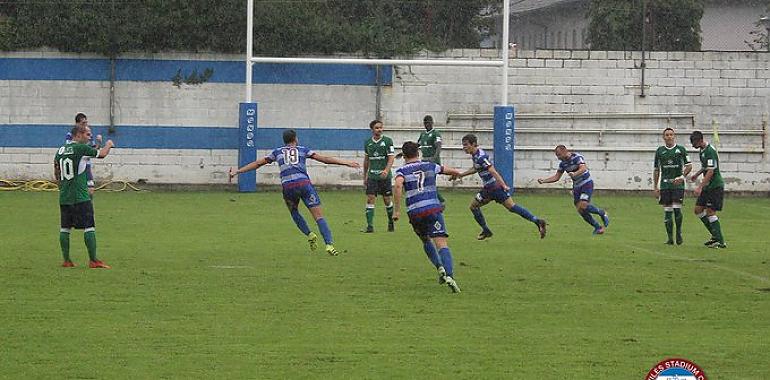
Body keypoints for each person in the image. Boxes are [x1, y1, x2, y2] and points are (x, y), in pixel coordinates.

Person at [229, 129, 360, 256]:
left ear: (284, 140)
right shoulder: (303, 150)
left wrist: (238, 171)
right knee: (319, 216)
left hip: (288, 187)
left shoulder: (277, 152)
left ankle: (310, 234)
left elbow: (258, 163)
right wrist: (346, 162)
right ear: (295, 139)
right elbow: (324, 159)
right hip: (304, 184)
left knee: (294, 212)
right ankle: (329, 244)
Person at [393, 141, 462, 293]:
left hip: (415, 212)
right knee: (442, 243)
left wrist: (396, 211)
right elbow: (451, 171)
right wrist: (456, 175)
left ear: (404, 156)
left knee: (425, 240)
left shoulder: (401, 171)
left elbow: (398, 186)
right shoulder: (430, 165)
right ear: (418, 153)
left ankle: (439, 268)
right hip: (432, 209)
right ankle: (449, 275)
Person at [453, 134, 547, 240]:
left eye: (466, 145)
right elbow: (476, 168)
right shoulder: (476, 154)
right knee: (512, 207)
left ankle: (486, 230)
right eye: (463, 145)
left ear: (473, 144)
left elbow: (493, 171)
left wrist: (504, 185)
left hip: (491, 188)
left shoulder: (481, 157)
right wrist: (461, 174)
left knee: (474, 206)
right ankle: (537, 221)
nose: (464, 147)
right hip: (494, 187)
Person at [54, 123, 114, 268]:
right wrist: (109, 144)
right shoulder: (80, 148)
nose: (89, 137)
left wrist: (60, 186)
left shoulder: (61, 149)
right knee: (89, 226)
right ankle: (93, 260)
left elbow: (56, 168)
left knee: (65, 228)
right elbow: (102, 154)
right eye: (86, 134)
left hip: (65, 195)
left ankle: (67, 260)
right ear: (78, 135)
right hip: (80, 196)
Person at [537, 145, 609, 234]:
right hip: (576, 187)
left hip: (586, 183)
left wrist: (575, 174)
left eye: (559, 155)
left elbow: (583, 168)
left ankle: (602, 213)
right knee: (580, 210)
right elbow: (556, 177)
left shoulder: (576, 157)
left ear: (565, 151)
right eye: (557, 156)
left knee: (583, 205)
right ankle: (598, 227)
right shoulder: (562, 164)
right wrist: (544, 181)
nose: (558, 158)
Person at [653, 128, 692, 245]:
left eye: (671, 135)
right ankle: (670, 238)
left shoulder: (681, 150)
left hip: (677, 186)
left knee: (676, 208)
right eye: (667, 135)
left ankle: (678, 233)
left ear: (674, 136)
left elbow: (689, 166)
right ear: (663, 137)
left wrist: (681, 177)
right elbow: (656, 170)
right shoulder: (659, 151)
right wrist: (655, 187)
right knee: (667, 210)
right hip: (665, 185)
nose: (669, 137)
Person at [688, 131, 727, 248]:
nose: (692, 145)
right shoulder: (702, 151)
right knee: (698, 210)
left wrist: (700, 186)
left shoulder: (710, 151)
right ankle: (715, 236)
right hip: (708, 186)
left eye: (693, 142)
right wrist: (697, 174)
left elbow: (711, 171)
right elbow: (705, 167)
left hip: (715, 186)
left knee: (710, 212)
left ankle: (721, 241)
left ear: (700, 140)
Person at [362, 119, 396, 233]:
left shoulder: (387, 141)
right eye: (377, 128)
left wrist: (386, 170)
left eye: (381, 127)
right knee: (370, 198)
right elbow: (367, 160)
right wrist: (365, 175)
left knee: (387, 200)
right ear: (372, 129)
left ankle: (390, 222)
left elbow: (391, 157)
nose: (379, 130)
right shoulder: (368, 143)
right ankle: (370, 226)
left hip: (384, 177)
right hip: (372, 176)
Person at [71, 113, 102, 196]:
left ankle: (88, 208)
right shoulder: (71, 135)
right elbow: (70, 149)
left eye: (86, 123)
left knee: (90, 190)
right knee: (77, 190)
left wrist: (99, 143)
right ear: (77, 123)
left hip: (86, 165)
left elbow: (94, 151)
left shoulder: (88, 134)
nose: (85, 125)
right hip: (76, 166)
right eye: (83, 123)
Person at [417, 115, 446, 205]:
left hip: (432, 161)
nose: (427, 124)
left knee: (429, 182)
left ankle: (440, 200)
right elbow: (417, 145)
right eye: (425, 123)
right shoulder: (422, 134)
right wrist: (405, 152)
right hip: (424, 160)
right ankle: (435, 200)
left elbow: (438, 146)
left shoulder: (435, 133)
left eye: (429, 122)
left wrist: (434, 158)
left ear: (432, 123)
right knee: (425, 182)